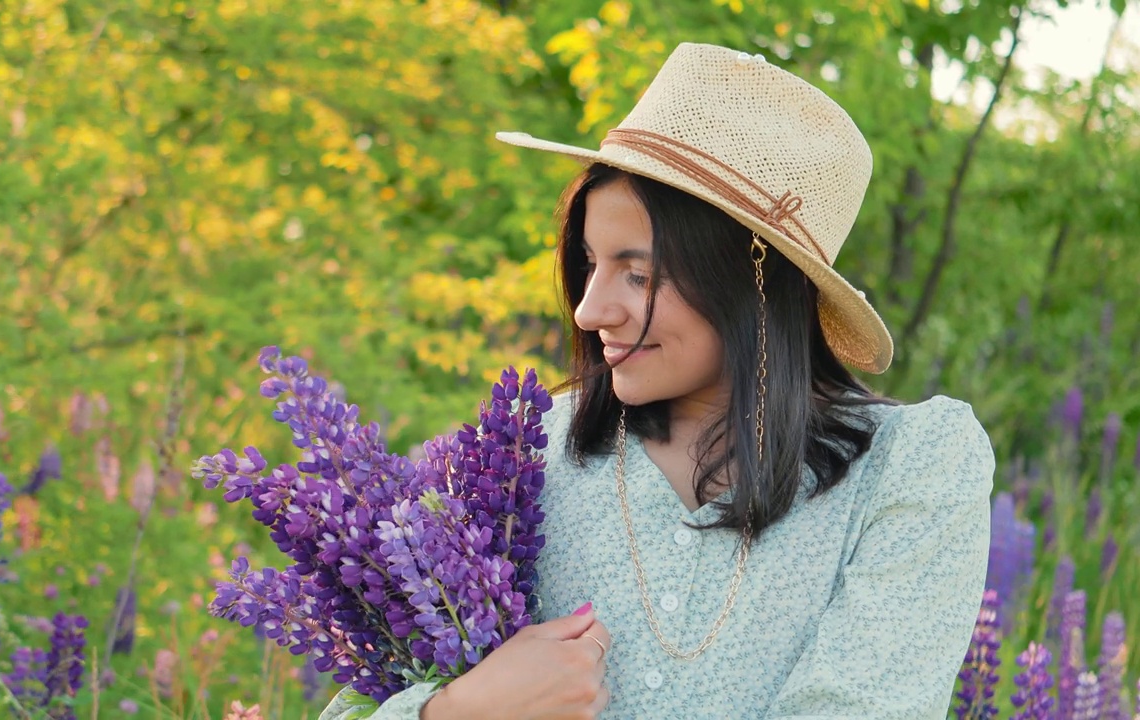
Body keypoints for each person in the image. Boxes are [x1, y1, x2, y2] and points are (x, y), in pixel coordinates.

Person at [319, 42, 994, 719]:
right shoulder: (519, 456)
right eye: (590, 263)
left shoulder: (911, 469)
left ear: (752, 282)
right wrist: (459, 710)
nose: (589, 310)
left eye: (638, 274)